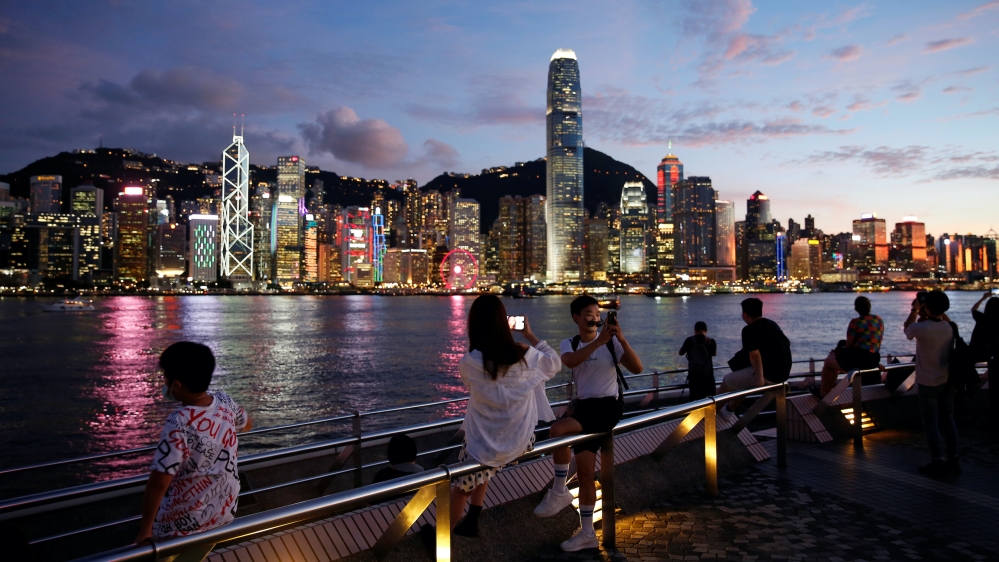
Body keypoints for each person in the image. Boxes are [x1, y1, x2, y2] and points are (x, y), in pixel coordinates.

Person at [534, 295, 642, 552]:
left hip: (606, 408)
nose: (594, 318)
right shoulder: (569, 343)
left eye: (597, 314)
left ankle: (559, 490)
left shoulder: (612, 342)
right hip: (585, 409)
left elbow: (637, 368)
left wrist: (620, 339)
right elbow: (569, 362)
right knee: (584, 473)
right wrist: (599, 342)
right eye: (588, 315)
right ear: (576, 318)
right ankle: (586, 534)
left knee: (558, 430)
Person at [450, 295, 560, 538]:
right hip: (521, 437)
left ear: (474, 324)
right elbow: (554, 365)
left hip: (486, 442)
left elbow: (475, 388)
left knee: (461, 487)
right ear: (503, 322)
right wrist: (530, 335)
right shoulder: (525, 353)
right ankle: (473, 519)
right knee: (486, 468)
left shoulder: (468, 362)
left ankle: (442, 532)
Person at [135, 342, 251, 562]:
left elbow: (159, 481)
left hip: (180, 520)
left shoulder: (178, 422)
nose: (164, 384)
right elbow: (245, 422)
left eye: (165, 379)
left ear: (177, 385)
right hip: (222, 513)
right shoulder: (225, 402)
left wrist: (145, 529)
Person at [904, 290, 959, 478]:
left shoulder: (922, 328)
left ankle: (937, 461)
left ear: (926, 307)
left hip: (928, 382)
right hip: (949, 379)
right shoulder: (950, 327)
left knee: (931, 423)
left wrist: (914, 309)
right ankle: (954, 459)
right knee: (949, 420)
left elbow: (907, 329)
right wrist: (934, 309)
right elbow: (945, 319)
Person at [717, 298, 792, 422]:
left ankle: (711, 414)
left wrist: (759, 378)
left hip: (769, 375)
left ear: (745, 314)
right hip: (783, 374)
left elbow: (755, 356)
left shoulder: (749, 330)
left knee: (727, 380)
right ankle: (729, 410)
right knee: (742, 380)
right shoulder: (772, 324)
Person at [811, 296, 884, 399]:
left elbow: (849, 345)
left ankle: (823, 395)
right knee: (838, 350)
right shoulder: (879, 320)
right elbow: (873, 342)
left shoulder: (855, 322)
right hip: (873, 359)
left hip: (859, 361)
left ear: (856, 308)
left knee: (828, 363)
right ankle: (828, 393)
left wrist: (838, 351)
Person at [969, 292, 998, 426]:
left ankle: (972, 388)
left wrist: (983, 297)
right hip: (992, 354)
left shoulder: (982, 318)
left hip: (977, 352)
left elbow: (973, 309)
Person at [679, 321, 717, 400]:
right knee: (709, 399)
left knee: (695, 399)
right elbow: (714, 354)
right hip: (708, 375)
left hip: (694, 375)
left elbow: (681, 353)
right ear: (706, 331)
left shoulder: (689, 340)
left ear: (695, 330)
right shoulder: (711, 341)